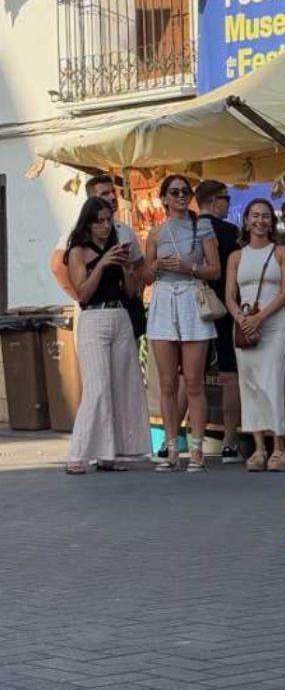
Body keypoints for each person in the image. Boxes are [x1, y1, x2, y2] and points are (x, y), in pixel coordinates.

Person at [63, 197, 148, 474]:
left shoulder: (115, 247)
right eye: (99, 221)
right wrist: (101, 264)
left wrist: (126, 266)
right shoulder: (78, 251)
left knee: (122, 384)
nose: (104, 226)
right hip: (94, 317)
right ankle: (78, 453)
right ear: (88, 223)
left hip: (119, 315)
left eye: (108, 220)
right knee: (97, 387)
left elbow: (132, 291)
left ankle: (109, 453)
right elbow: (83, 293)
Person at [145, 175, 220, 472]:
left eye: (185, 192)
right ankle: (172, 447)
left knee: (192, 380)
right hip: (164, 299)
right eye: (174, 192)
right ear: (163, 198)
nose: (180, 196)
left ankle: (198, 446)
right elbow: (145, 277)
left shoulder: (201, 225)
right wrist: (156, 265)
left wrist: (189, 267)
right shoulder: (155, 232)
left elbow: (215, 270)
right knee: (165, 382)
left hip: (190, 297)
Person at [226, 199, 285, 472]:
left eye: (266, 216)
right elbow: (230, 295)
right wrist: (241, 319)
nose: (260, 221)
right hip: (244, 325)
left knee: (273, 383)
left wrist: (259, 318)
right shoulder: (236, 256)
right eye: (255, 216)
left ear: (272, 221)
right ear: (246, 220)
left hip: (274, 324)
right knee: (250, 385)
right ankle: (258, 447)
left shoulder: (281, 252)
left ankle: (279, 447)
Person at [184, 180, 244, 463]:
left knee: (188, 377)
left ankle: (180, 439)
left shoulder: (187, 230)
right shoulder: (230, 232)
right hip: (223, 307)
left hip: (192, 307)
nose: (228, 204)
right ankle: (230, 441)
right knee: (230, 377)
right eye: (226, 199)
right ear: (213, 200)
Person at [51, 174, 143, 301]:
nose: (112, 197)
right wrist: (80, 298)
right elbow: (57, 266)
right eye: (105, 193)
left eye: (113, 192)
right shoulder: (80, 229)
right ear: (92, 200)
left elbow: (139, 264)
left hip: (123, 306)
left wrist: (136, 294)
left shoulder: (125, 230)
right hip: (95, 308)